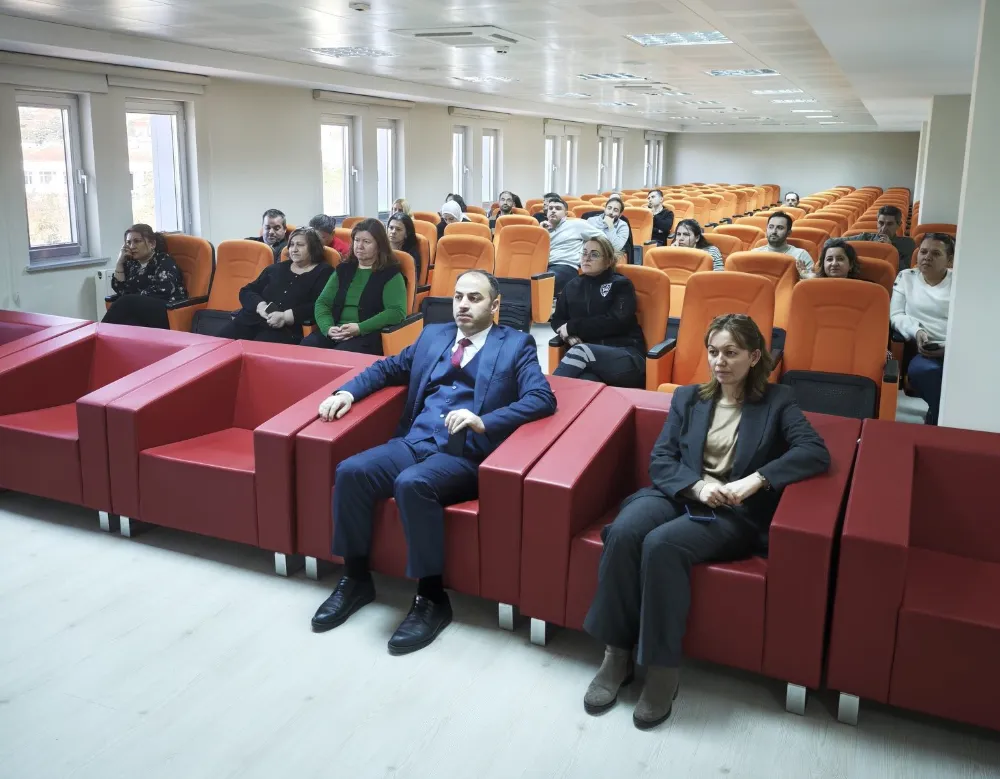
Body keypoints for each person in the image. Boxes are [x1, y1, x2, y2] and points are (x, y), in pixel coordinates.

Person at [582, 313, 830, 729]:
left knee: (662, 545)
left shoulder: (778, 401)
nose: (719, 361)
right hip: (681, 493)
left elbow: (814, 451)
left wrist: (756, 480)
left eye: (730, 353)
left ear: (754, 356)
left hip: (733, 512)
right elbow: (662, 459)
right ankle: (616, 655)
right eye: (713, 352)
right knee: (624, 532)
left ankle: (662, 670)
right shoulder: (688, 398)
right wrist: (696, 487)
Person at [310, 270, 557, 653]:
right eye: (458, 297)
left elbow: (542, 398)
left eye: (474, 298)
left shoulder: (515, 344)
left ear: (494, 305)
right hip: (415, 441)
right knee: (352, 472)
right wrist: (347, 393)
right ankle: (355, 578)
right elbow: (387, 368)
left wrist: (485, 421)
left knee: (413, 484)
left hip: (465, 455)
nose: (463, 305)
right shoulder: (433, 335)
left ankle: (431, 598)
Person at [551, 235, 645, 388]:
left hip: (626, 355)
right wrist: (569, 336)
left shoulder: (621, 284)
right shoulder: (572, 286)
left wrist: (573, 327)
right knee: (583, 385)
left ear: (608, 261)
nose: (587, 258)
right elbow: (558, 320)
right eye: (584, 252)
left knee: (580, 351)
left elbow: (616, 322)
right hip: (590, 359)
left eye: (594, 254)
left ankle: (542, 395)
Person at [302, 218, 407, 355]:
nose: (359, 246)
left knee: (341, 355)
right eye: (357, 240)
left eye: (366, 242)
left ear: (379, 245)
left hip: (367, 334)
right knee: (306, 348)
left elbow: (396, 312)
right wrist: (328, 328)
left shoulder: (390, 273)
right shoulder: (344, 269)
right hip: (336, 330)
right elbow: (323, 302)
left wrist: (359, 328)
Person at [218, 227, 332, 344]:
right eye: (291, 245)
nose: (294, 249)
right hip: (251, 320)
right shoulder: (276, 268)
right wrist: (260, 306)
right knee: (221, 341)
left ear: (313, 247)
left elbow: (319, 305)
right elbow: (247, 291)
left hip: (284, 329)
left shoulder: (324, 272)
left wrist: (285, 317)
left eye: (300, 245)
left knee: (258, 348)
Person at [890, 233, 954, 426]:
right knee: (922, 372)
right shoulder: (906, 277)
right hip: (926, 348)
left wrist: (949, 348)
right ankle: (943, 418)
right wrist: (916, 331)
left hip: (957, 348)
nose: (927, 257)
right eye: (923, 252)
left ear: (949, 260)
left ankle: (937, 417)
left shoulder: (960, 282)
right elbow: (896, 315)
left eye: (936, 253)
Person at [103, 224, 187, 329]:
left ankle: (100, 332)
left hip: (168, 311)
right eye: (129, 242)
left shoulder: (164, 261)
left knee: (126, 302)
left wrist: (131, 299)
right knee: (127, 325)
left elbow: (162, 291)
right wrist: (119, 262)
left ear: (152, 244)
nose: (132, 246)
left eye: (137, 241)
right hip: (140, 312)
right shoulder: (132, 264)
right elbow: (120, 289)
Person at [542, 197, 603, 296]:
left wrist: (585, 252)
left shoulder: (577, 225)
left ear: (565, 214)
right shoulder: (542, 229)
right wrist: (542, 231)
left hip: (565, 267)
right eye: (550, 208)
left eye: (558, 208)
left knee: (542, 283)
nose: (553, 211)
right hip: (543, 266)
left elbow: (602, 237)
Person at [844, 205, 916, 272]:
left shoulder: (907, 244)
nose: (884, 228)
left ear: (899, 225)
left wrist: (891, 249)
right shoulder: (865, 237)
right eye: (881, 223)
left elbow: (905, 272)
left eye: (890, 224)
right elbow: (838, 242)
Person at [753, 211, 814, 280]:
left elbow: (812, 283)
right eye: (771, 227)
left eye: (780, 228)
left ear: (789, 233)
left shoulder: (801, 256)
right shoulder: (754, 254)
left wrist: (806, 276)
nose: (774, 231)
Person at [387, 212, 422, 281]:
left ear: (407, 233)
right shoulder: (381, 248)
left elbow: (411, 282)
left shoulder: (411, 256)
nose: (393, 232)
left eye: (398, 229)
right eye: (391, 228)